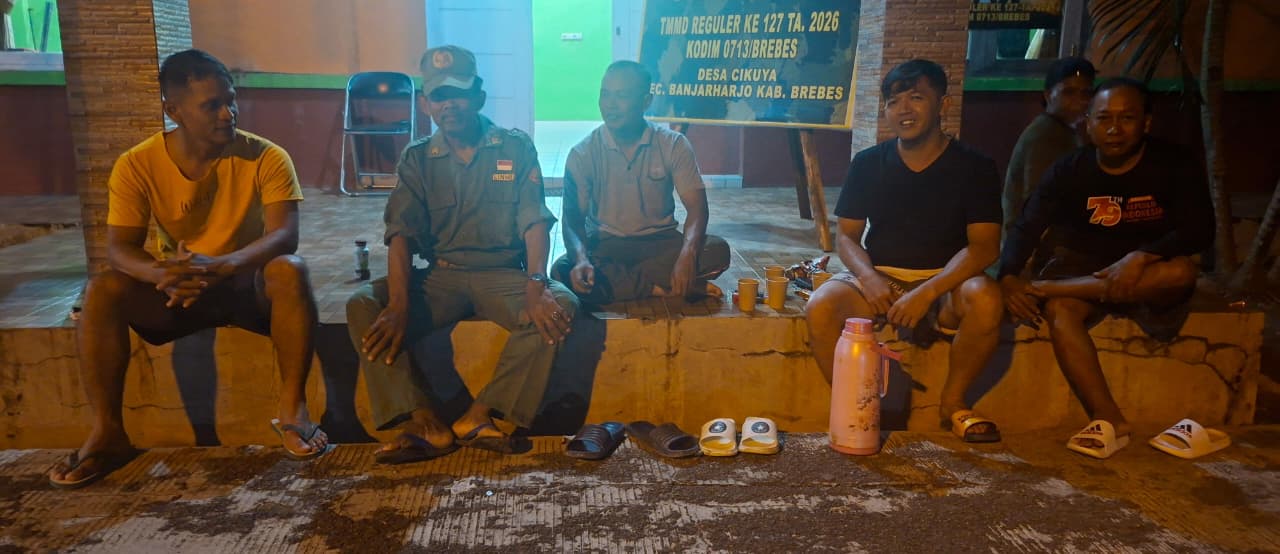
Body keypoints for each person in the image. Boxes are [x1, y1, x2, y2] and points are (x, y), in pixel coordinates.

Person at [48, 49, 328, 489]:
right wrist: (162, 274)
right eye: (212, 105)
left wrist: (223, 265)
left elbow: (283, 236)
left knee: (290, 269)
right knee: (102, 289)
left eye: (230, 101)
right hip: (179, 291)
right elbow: (120, 249)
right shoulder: (137, 164)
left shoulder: (266, 156)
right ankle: (107, 433)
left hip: (243, 286)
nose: (227, 113)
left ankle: (294, 412)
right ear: (173, 110)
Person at [345, 45, 578, 463]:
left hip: (501, 275)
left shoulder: (513, 147)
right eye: (439, 96)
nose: (448, 105)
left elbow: (534, 221)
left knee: (560, 305)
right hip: (441, 278)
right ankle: (423, 421)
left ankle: (479, 415)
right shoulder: (418, 159)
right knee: (363, 304)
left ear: (479, 96)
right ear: (426, 104)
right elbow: (400, 235)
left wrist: (536, 283)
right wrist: (398, 303)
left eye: (458, 94)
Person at [998, 77, 1213, 459]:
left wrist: (1142, 256)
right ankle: (1109, 419)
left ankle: (1046, 289)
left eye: (1126, 118)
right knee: (1061, 312)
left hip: (1147, 272)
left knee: (1180, 274)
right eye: (1104, 118)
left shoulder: (1174, 163)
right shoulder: (1071, 168)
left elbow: (1200, 229)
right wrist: (1009, 275)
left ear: (1146, 122)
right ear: (1089, 123)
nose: (1114, 128)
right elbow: (1028, 223)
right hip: (1083, 267)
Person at [804, 59, 1005, 443]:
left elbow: (984, 246)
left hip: (946, 284)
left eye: (916, 98)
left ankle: (954, 404)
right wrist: (869, 277)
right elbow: (847, 237)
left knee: (986, 297)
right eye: (894, 102)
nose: (904, 110)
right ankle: (854, 406)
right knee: (821, 305)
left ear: (943, 104)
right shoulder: (868, 163)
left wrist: (927, 292)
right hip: (882, 278)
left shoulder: (975, 166)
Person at [551, 60, 730, 304]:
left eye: (622, 96)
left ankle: (624, 284)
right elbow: (572, 222)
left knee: (717, 251)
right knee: (562, 270)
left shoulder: (673, 144)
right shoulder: (583, 153)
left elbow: (698, 208)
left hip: (659, 243)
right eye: (605, 95)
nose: (610, 105)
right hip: (606, 245)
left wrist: (687, 254)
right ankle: (660, 288)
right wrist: (582, 259)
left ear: (646, 101)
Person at [1004, 57, 1096, 241]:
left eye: (1086, 93)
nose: (1079, 100)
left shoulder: (1064, 130)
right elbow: (1037, 202)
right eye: (1069, 92)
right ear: (1048, 95)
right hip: (1031, 246)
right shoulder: (1045, 135)